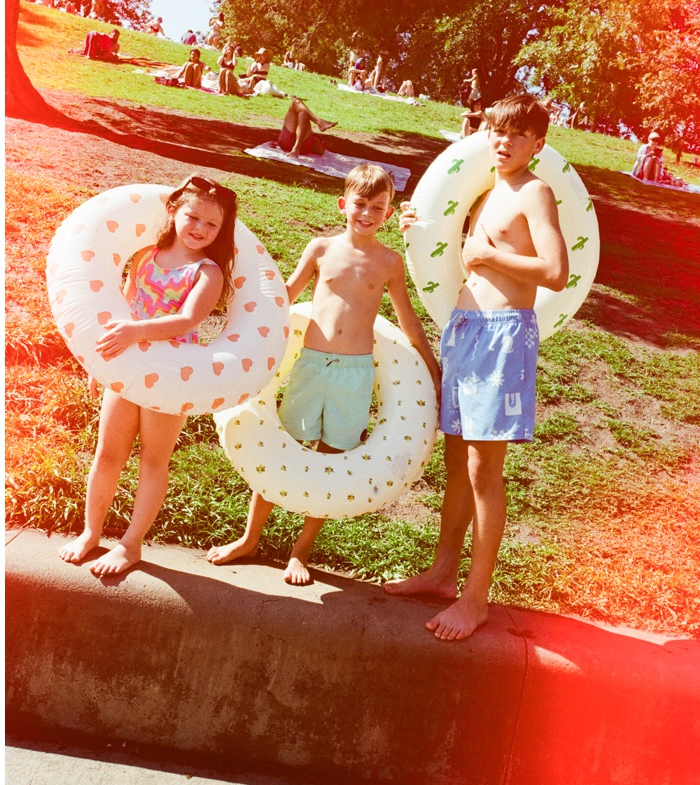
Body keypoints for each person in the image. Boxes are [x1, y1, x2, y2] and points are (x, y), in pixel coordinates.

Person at [386, 94, 567, 640]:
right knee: (458, 463)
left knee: (485, 473)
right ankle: (443, 574)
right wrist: (416, 226)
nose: (503, 142)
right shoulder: (490, 188)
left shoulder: (535, 192)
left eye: (516, 135)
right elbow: (457, 240)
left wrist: (488, 258)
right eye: (497, 131)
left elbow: (554, 271)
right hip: (466, 333)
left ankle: (475, 597)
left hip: (503, 337)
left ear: (538, 143)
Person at [207, 165, 439, 583]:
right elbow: (285, 298)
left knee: (332, 458)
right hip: (311, 364)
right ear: (343, 204)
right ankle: (249, 538)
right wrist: (238, 324)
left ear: (388, 213)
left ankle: (301, 551)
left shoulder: (389, 262)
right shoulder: (320, 248)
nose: (367, 213)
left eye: (378, 207)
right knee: (282, 448)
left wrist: (433, 371)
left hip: (354, 374)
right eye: (361, 204)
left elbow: (408, 321)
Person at [58, 176, 237, 576]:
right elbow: (121, 305)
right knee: (108, 454)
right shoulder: (144, 257)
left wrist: (136, 333)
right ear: (173, 210)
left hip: (171, 377)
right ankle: (91, 532)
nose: (200, 229)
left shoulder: (207, 272)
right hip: (127, 369)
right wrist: (100, 367)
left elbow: (188, 318)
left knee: (154, 460)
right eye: (193, 216)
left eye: (212, 225)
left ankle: (131, 543)